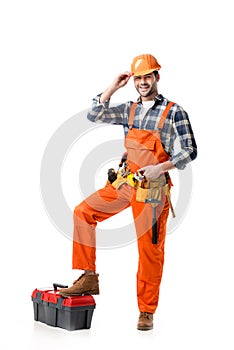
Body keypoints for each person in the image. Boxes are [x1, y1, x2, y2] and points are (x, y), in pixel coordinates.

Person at [59, 54, 197, 331]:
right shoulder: (129, 109)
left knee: (149, 251)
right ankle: (88, 276)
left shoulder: (173, 111)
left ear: (157, 76)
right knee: (83, 212)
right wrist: (112, 88)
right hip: (125, 183)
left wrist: (161, 167)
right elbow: (94, 114)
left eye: (148, 76)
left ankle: (146, 311)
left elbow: (190, 150)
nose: (143, 82)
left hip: (152, 192)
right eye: (138, 78)